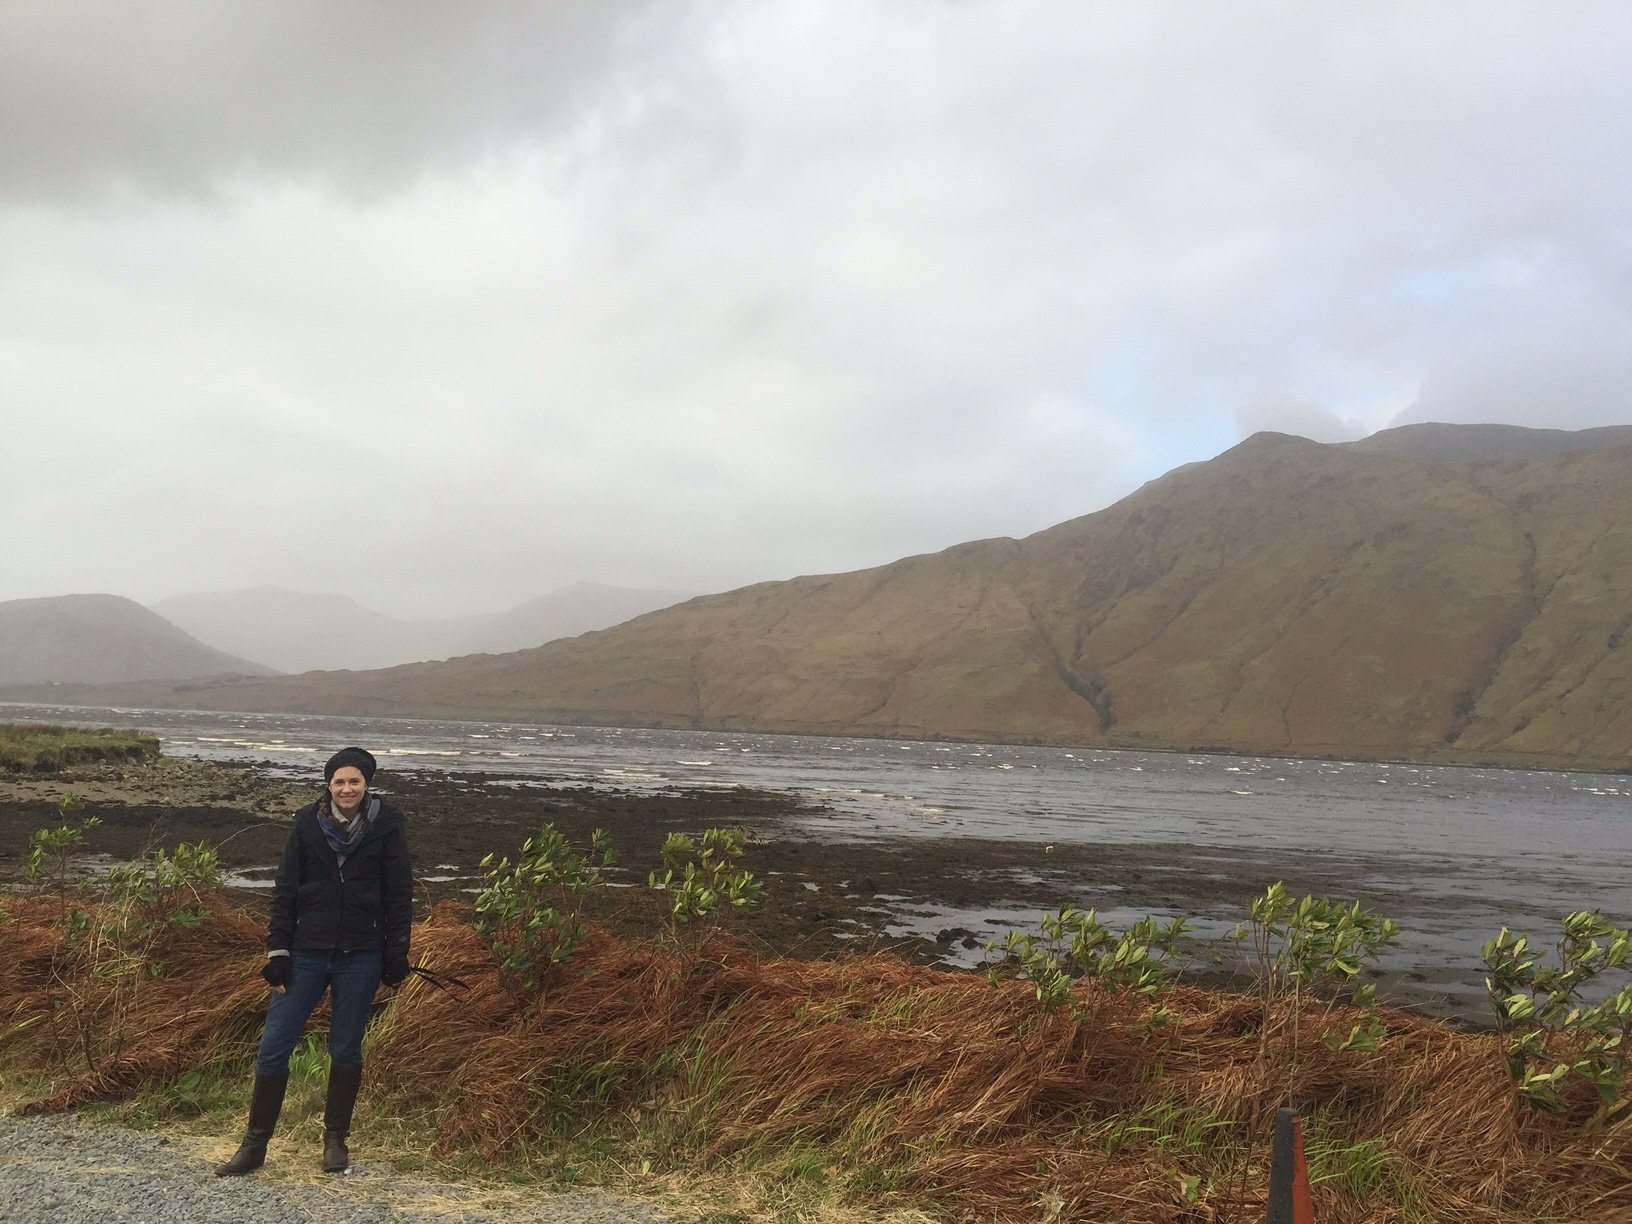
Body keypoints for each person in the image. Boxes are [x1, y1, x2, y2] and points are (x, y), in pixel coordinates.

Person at [216, 746, 413, 1177]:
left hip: (361, 955)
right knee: (272, 1049)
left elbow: (399, 892)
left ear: (367, 784)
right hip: (305, 953)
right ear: (329, 784)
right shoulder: (307, 823)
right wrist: (277, 951)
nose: (347, 788)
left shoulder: (388, 824)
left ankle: (335, 1141)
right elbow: (286, 889)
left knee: (345, 1048)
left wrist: (397, 950)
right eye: (339, 781)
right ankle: (254, 1147)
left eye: (354, 781)